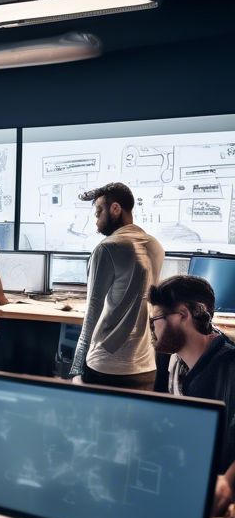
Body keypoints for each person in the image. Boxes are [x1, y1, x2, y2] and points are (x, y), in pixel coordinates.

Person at [69, 182, 164, 390]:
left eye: (99, 211)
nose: (96, 219)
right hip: (145, 368)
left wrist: (76, 369)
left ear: (115, 209)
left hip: (107, 368)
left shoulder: (108, 248)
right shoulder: (156, 246)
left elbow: (92, 314)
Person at [148, 275, 235, 474]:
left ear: (182, 314)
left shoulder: (227, 370)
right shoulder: (170, 358)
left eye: (156, 319)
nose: (153, 328)